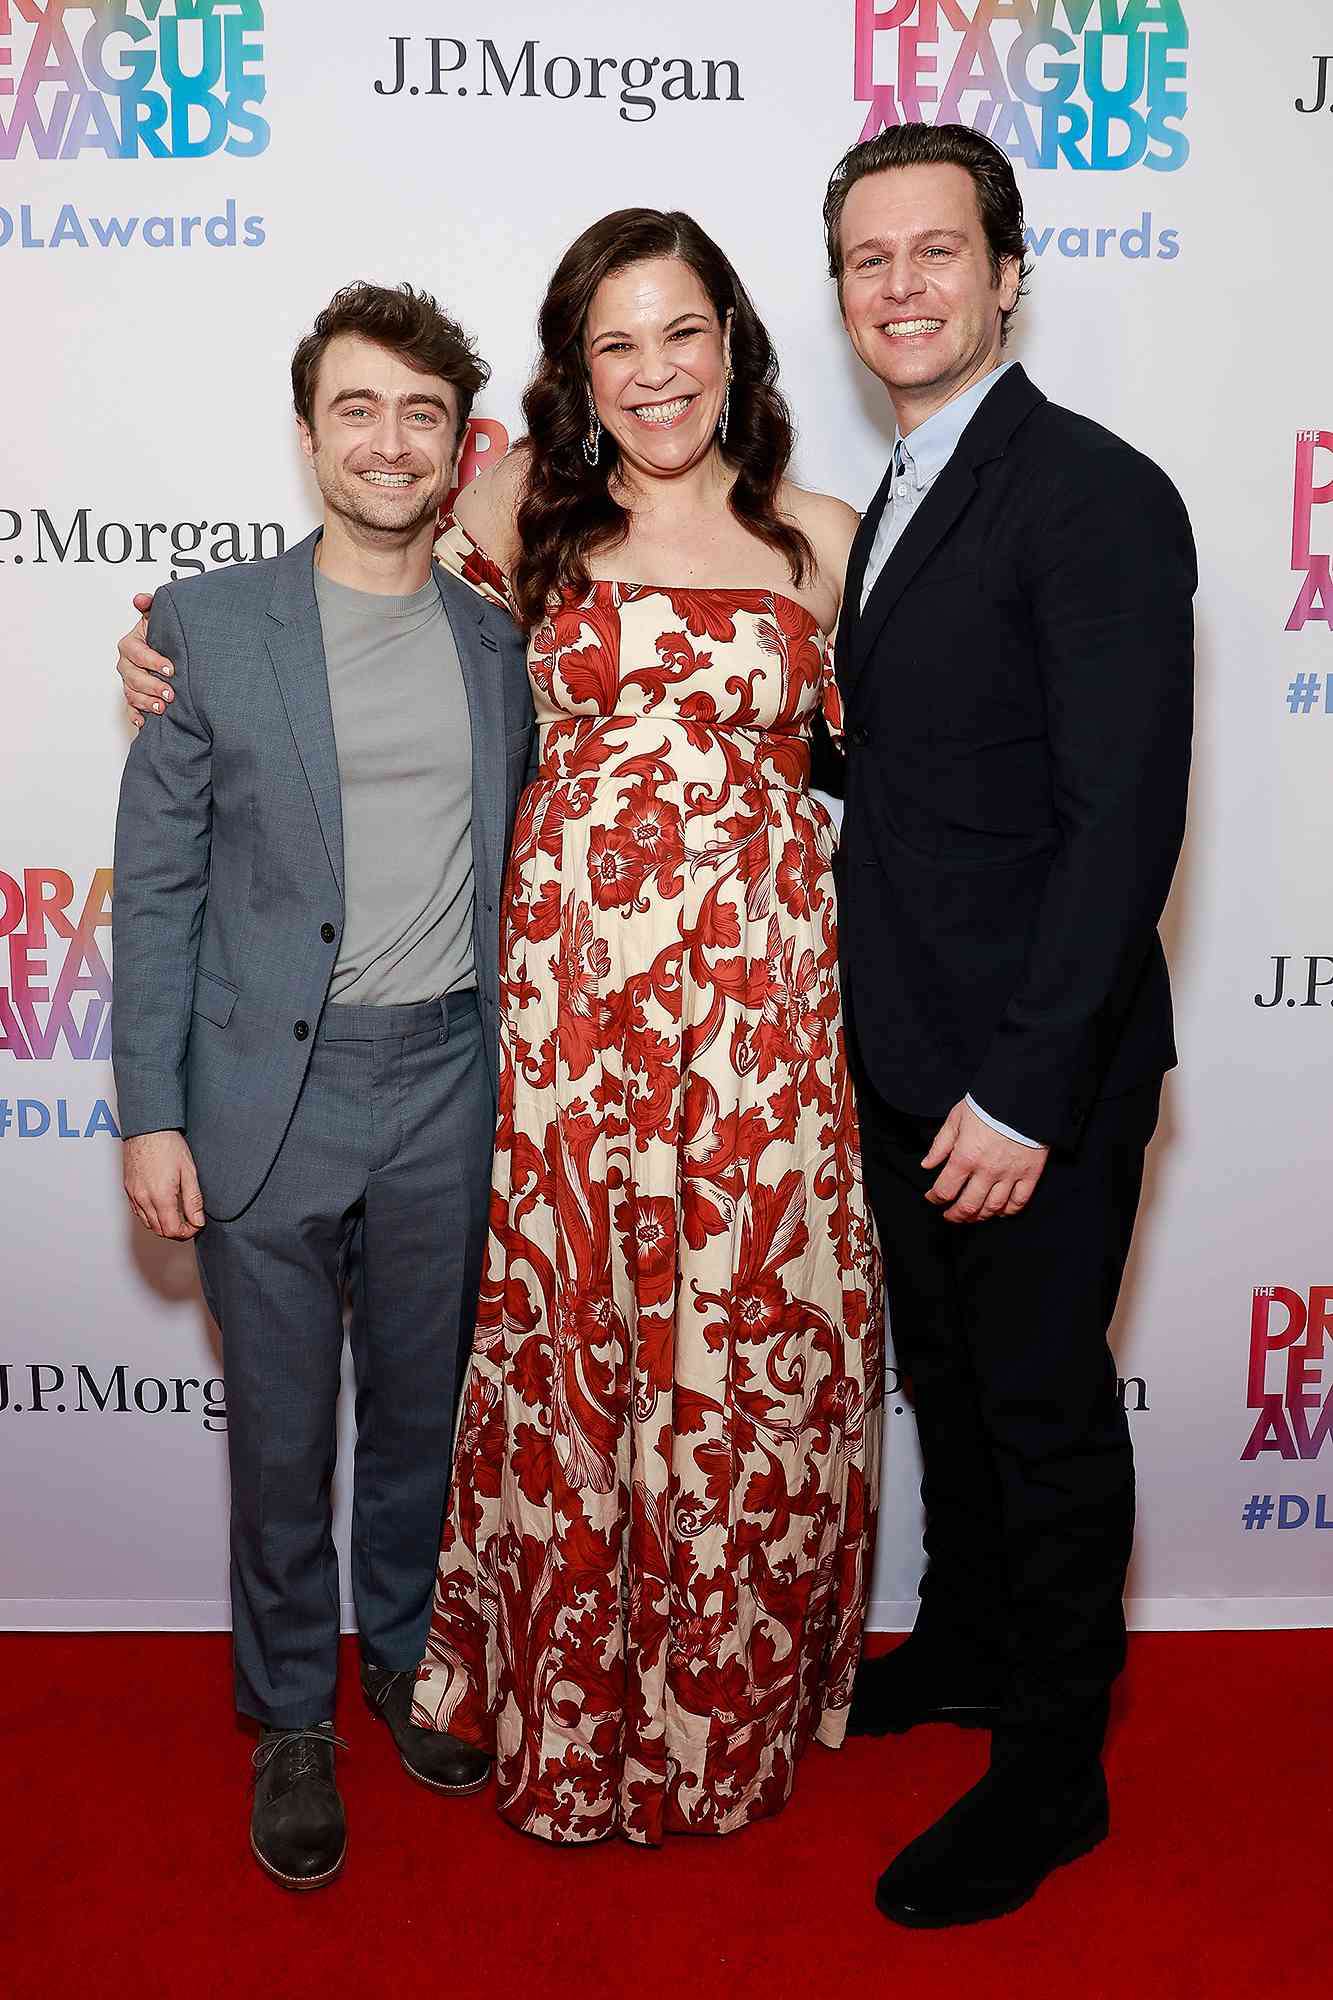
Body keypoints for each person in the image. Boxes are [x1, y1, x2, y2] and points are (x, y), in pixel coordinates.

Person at [114, 214, 884, 1850]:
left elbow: (902, 764)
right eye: (615, 344)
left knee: (624, 1380)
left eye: (682, 334)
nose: (654, 371)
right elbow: (323, 614)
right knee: (496, 1380)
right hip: (560, 1037)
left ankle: (521, 1673)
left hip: (723, 1033)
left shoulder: (820, 534)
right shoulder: (515, 522)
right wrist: (156, 644)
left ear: (735, 345)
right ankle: (310, 1715)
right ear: (571, 378)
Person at [111, 282, 531, 1888]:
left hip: (451, 1081)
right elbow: (155, 888)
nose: (389, 439)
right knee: (282, 1431)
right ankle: (292, 1715)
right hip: (264, 1100)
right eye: (357, 409)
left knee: (422, 1413)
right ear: (309, 436)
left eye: (422, 414)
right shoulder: (206, 628)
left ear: (456, 446)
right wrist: (150, 1108)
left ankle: (407, 1659)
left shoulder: (501, 640)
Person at [824, 124, 1196, 1927]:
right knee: (952, 1389)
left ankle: (1055, 1770)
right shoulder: (891, 494)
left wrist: (1023, 1088)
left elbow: (1119, 821)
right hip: (899, 1052)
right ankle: (967, 1648)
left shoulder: (1091, 492)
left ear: (1005, 272)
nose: (900, 285)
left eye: (935, 252)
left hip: (1028, 1076)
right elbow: (903, 764)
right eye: (867, 260)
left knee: (1042, 1408)